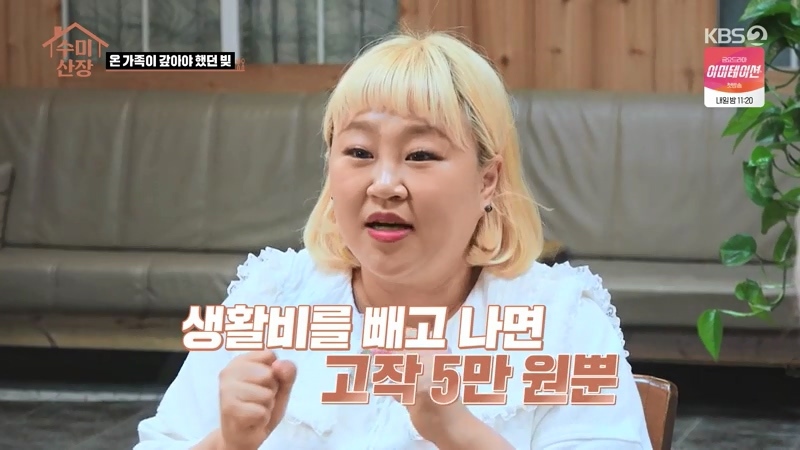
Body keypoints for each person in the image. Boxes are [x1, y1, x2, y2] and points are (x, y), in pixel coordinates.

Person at [135, 30, 652, 450]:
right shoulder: (270, 298)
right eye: (359, 153)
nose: (384, 184)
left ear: (487, 180)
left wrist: (456, 431)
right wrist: (227, 443)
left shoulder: (561, 321)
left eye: (420, 155)